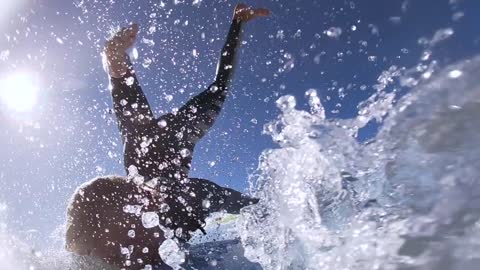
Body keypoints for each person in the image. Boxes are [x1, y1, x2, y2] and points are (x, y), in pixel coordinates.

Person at [65, 3, 270, 269]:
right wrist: (113, 57)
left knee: (189, 189)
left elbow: (219, 84)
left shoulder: (187, 188)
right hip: (150, 187)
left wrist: (237, 25)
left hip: (169, 190)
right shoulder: (144, 157)